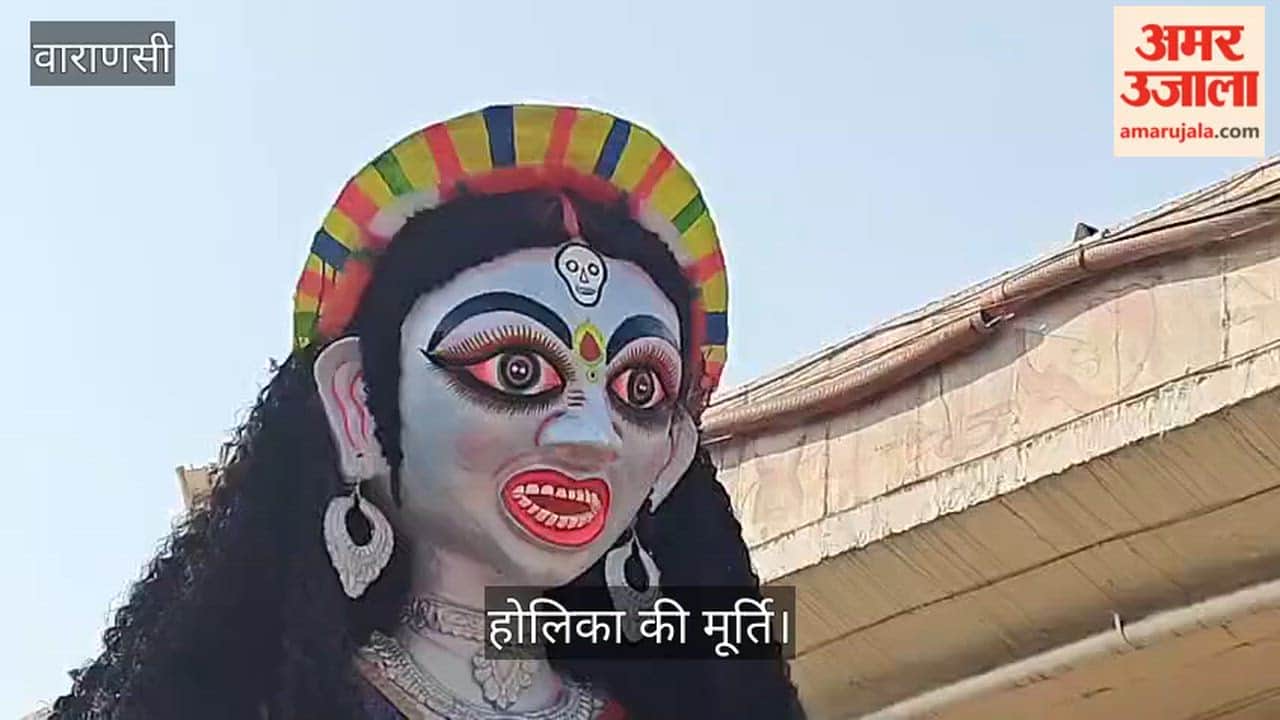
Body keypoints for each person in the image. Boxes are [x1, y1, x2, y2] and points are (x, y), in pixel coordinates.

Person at [51, 104, 805, 719]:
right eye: (517, 370)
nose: (590, 437)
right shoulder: (264, 703)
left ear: (670, 456)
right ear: (359, 408)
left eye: (639, 391)